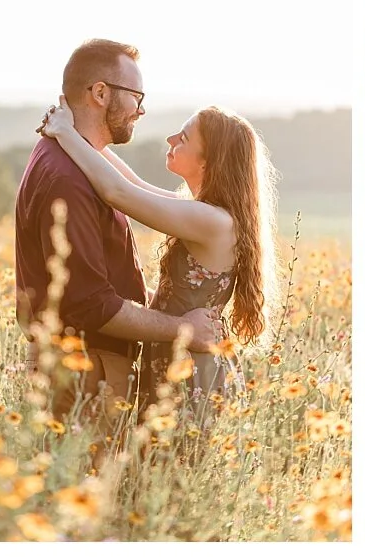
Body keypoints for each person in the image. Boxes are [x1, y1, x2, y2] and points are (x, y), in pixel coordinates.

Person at [38, 50, 280, 419]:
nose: (170, 139)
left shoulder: (214, 221)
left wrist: (65, 132)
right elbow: (132, 183)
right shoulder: (204, 213)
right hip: (176, 357)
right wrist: (83, 139)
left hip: (190, 371)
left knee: (174, 469)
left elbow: (119, 193)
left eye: (183, 138)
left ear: (207, 161)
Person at [16, 39, 220, 425]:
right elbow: (91, 304)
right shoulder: (68, 179)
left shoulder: (70, 162)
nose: (141, 109)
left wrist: (69, 133)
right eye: (136, 96)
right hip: (85, 373)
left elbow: (130, 188)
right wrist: (181, 329)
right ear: (100, 93)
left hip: (86, 370)